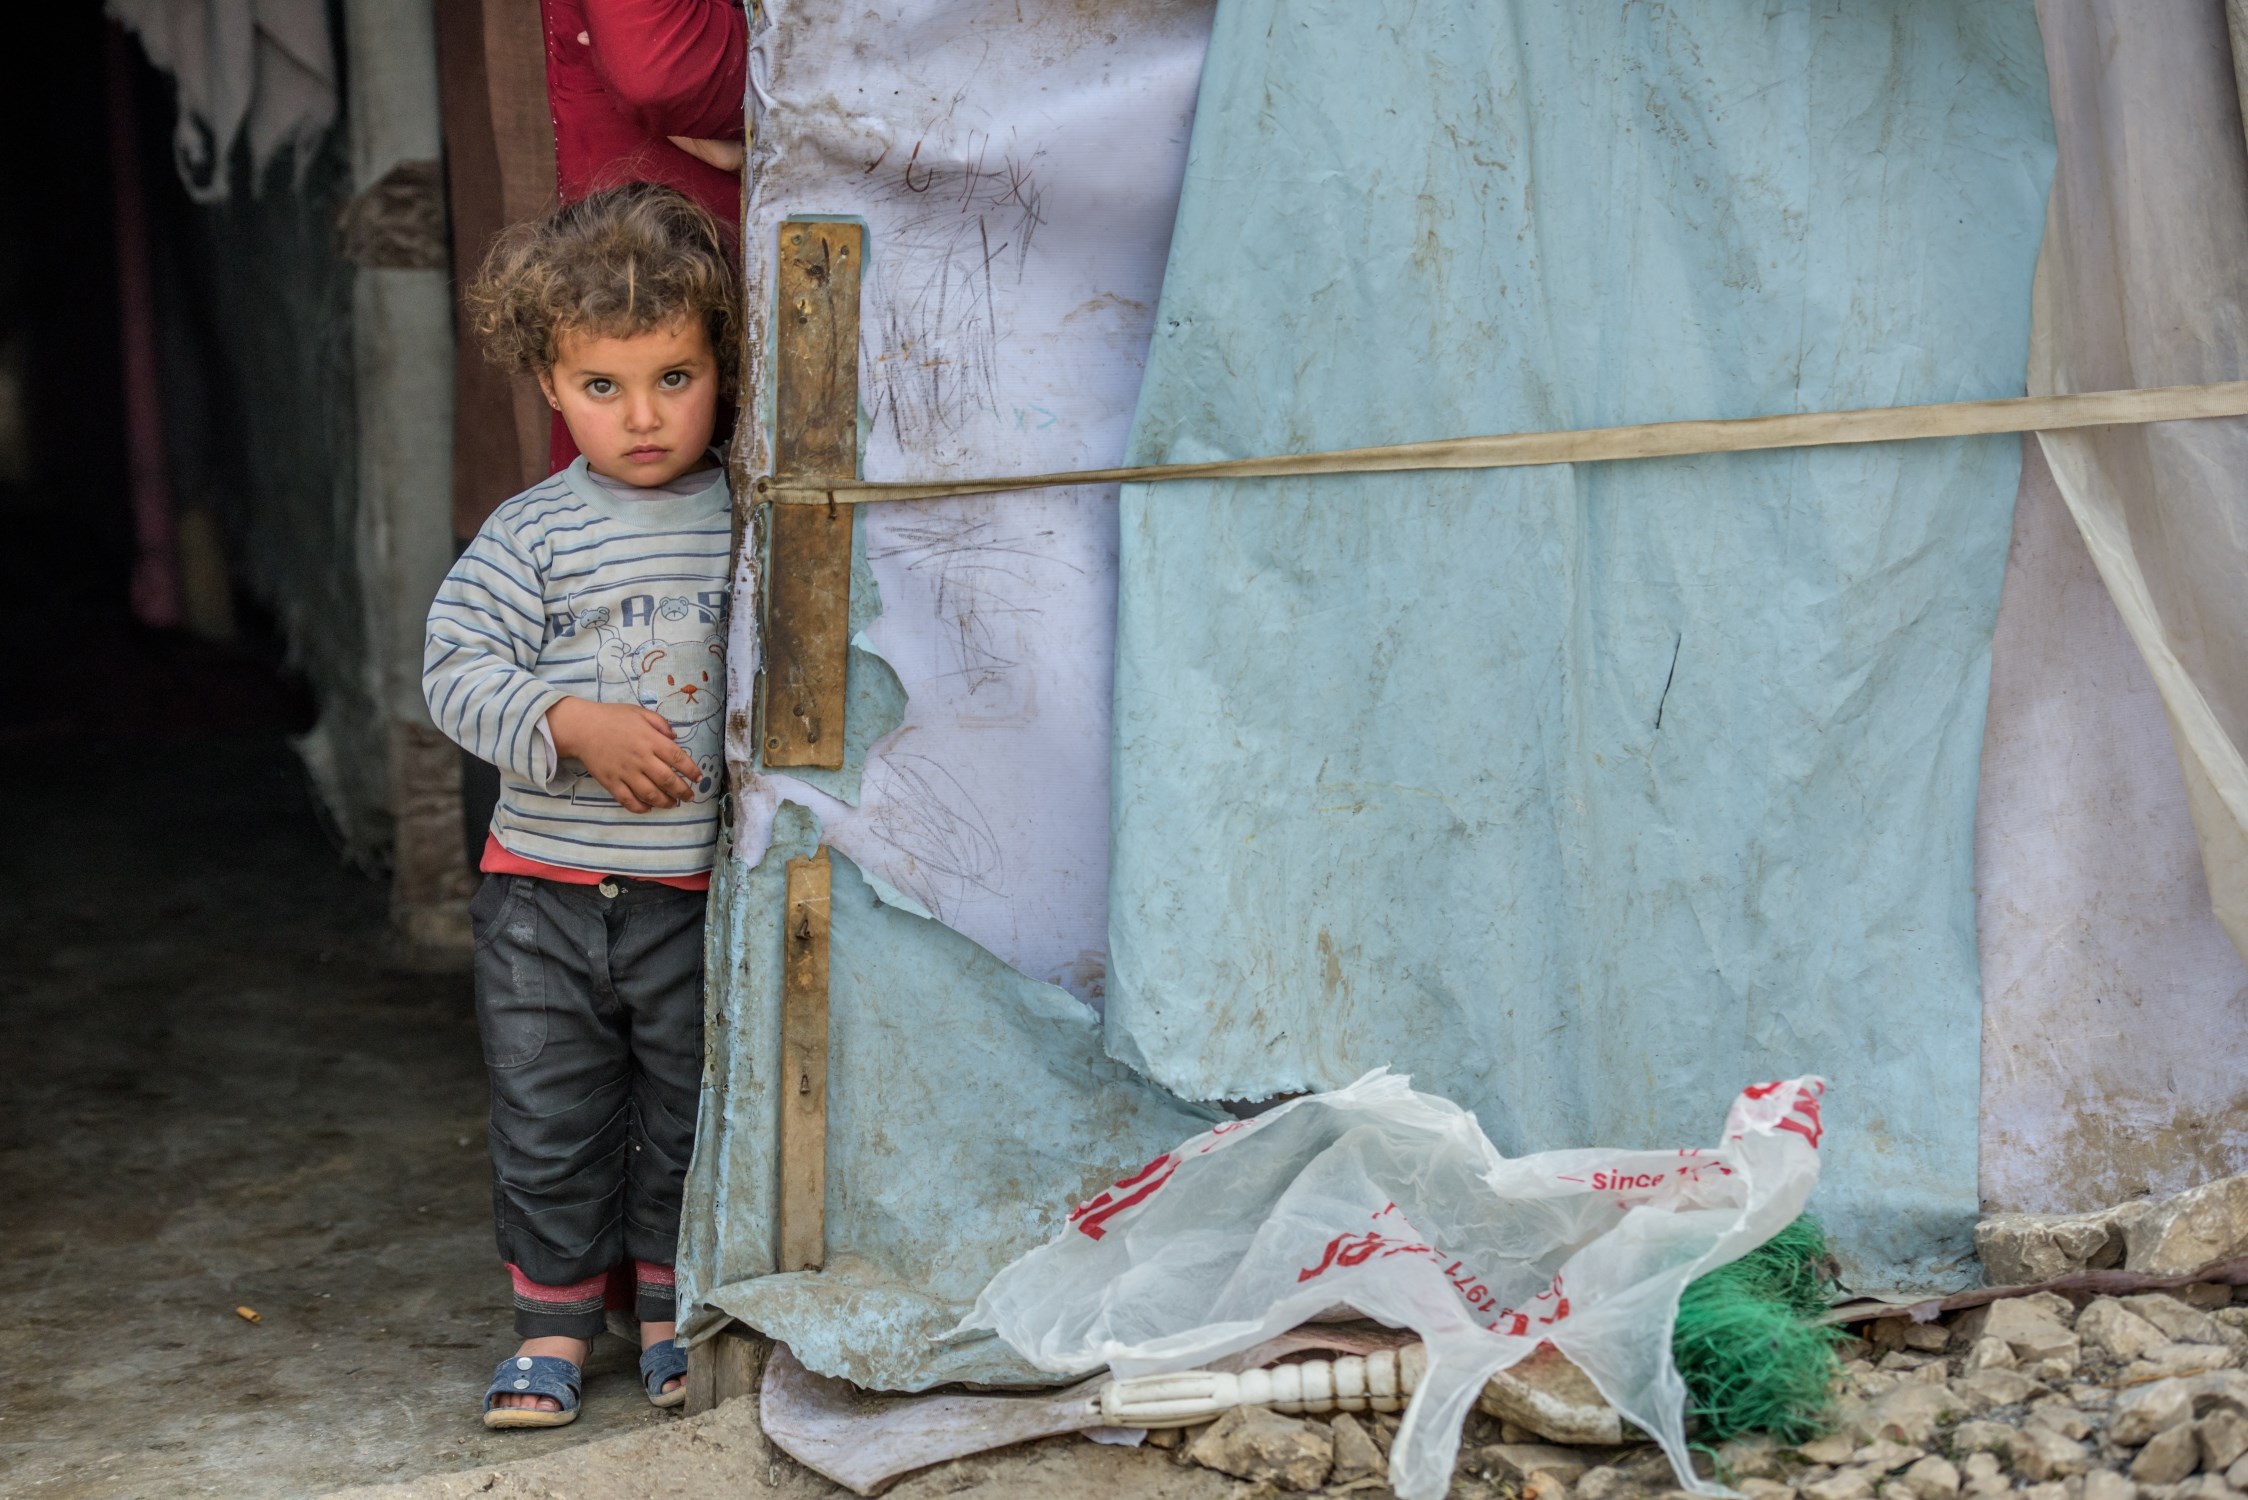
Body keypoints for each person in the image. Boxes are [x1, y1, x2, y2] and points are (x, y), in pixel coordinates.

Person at [424, 181, 739, 1429]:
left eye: (673, 376)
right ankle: (551, 1330)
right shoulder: (533, 535)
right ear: (550, 387)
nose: (644, 416)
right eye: (602, 387)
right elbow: (454, 670)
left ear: (721, 363)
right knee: (551, 1120)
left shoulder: (751, 523)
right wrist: (570, 725)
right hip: (541, 899)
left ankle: (671, 1312)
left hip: (690, 896)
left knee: (687, 1111)